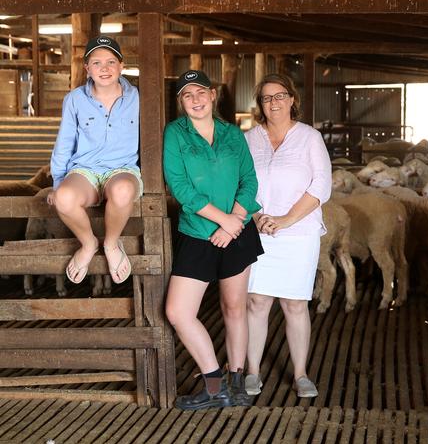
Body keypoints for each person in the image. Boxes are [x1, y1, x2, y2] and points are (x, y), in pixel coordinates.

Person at [163, 70, 263, 410]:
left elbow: (249, 181)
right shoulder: (175, 135)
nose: (195, 99)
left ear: (213, 94)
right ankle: (215, 384)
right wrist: (226, 221)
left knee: (234, 308)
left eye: (200, 92)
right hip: (198, 232)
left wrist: (236, 221)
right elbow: (179, 187)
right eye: (187, 94)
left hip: (237, 231)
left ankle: (236, 386)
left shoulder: (233, 134)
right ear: (181, 101)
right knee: (178, 312)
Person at [244, 73, 331, 398]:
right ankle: (252, 372)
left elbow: (321, 186)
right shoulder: (250, 138)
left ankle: (300, 374)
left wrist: (285, 219)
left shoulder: (309, 138)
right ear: (260, 105)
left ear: (292, 99)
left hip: (299, 233)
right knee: (257, 302)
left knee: (295, 304)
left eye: (279, 96)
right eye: (267, 98)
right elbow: (242, 182)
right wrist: (257, 216)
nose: (274, 103)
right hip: (259, 229)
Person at [49, 36, 142, 286]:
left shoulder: (138, 98)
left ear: (122, 66)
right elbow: (65, 142)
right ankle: (88, 242)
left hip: (122, 170)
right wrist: (58, 183)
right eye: (97, 62)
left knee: (122, 191)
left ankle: (111, 244)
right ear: (87, 68)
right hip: (85, 171)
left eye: (111, 61)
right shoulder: (75, 100)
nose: (104, 68)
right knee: (64, 198)